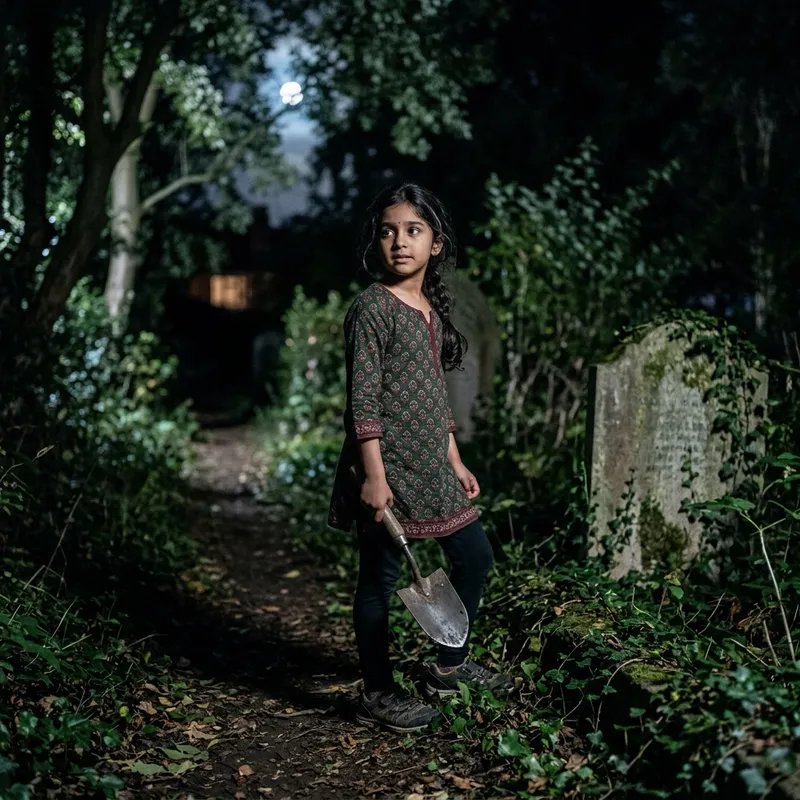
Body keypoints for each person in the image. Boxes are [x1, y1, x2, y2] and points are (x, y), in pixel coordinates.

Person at [328, 183, 512, 733]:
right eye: (388, 231)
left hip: (432, 466)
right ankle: (378, 692)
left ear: (435, 244)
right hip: (385, 469)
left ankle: (447, 665)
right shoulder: (372, 309)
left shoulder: (428, 309)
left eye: (414, 230)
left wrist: (454, 458)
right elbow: (362, 398)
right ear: (376, 242)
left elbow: (432, 391)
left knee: (475, 556)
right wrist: (374, 478)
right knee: (380, 580)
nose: (400, 241)